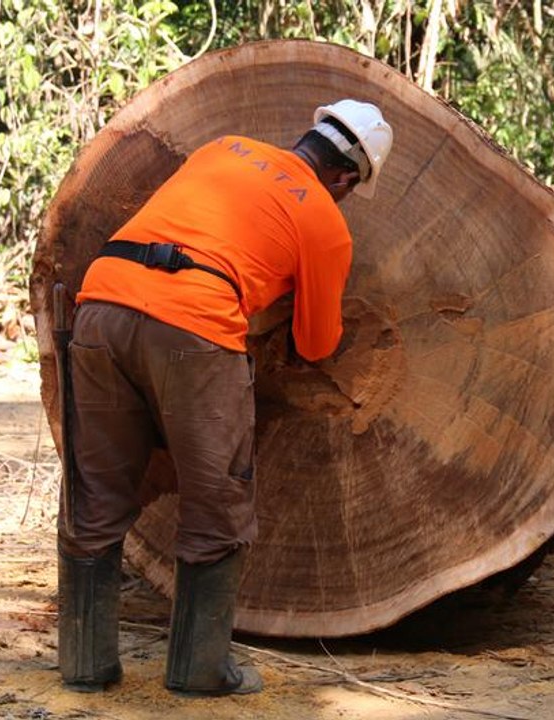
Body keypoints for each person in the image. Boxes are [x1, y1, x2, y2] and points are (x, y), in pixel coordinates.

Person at [55, 99, 393, 697]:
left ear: (310, 135)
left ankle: (84, 664)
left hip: (101, 305)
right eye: (348, 190)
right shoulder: (323, 217)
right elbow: (316, 344)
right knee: (217, 501)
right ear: (344, 178)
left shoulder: (223, 147)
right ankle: (199, 669)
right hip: (195, 328)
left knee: (97, 491)